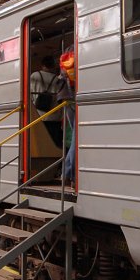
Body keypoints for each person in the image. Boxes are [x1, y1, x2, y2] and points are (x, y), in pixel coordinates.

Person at [29, 56, 63, 148]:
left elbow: (30, 96)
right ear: (53, 66)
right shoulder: (57, 79)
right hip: (54, 116)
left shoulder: (35, 75)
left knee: (41, 143)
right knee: (55, 143)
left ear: (42, 65)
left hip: (38, 115)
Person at [58, 47, 77, 184]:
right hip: (75, 97)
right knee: (78, 138)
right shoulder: (79, 52)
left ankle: (67, 174)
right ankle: (68, 173)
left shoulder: (66, 56)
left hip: (66, 97)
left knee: (76, 137)